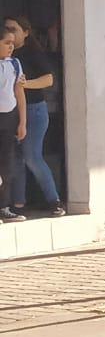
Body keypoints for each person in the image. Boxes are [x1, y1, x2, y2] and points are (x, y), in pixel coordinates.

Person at [4, 16, 64, 217]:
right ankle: (18, 204)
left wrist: (23, 84)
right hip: (13, 112)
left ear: (26, 32)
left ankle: (54, 200)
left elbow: (48, 79)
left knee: (32, 156)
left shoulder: (31, 53)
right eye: (6, 29)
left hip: (34, 110)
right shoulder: (7, 55)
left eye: (14, 28)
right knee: (17, 160)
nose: (10, 32)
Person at [0, 28, 22, 224]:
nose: (10, 47)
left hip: (9, 117)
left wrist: (23, 121)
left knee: (7, 164)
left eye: (12, 43)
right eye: (7, 42)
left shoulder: (14, 63)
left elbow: (18, 91)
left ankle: (4, 207)